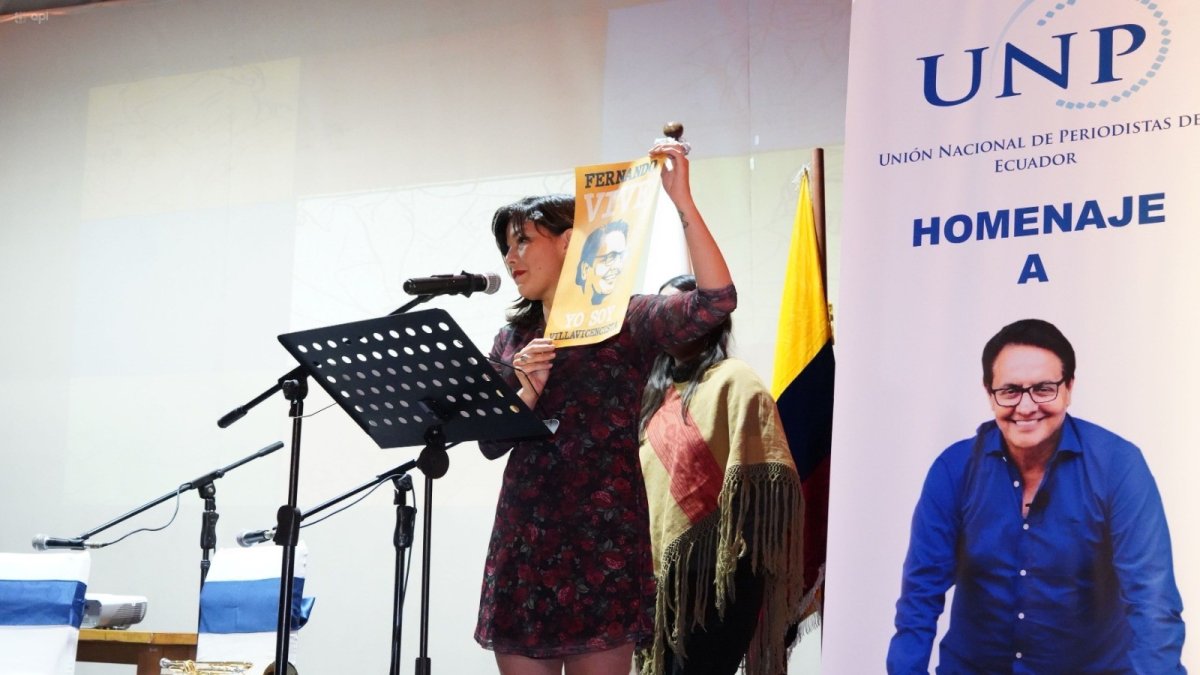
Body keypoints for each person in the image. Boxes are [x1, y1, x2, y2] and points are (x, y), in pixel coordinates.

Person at [474, 139, 736, 675]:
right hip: (526, 538)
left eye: (523, 241)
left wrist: (681, 201)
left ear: (570, 242)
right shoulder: (512, 337)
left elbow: (717, 301)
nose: (510, 257)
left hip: (603, 538)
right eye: (506, 246)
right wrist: (525, 386)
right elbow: (490, 442)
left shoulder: (628, 318)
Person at [887, 319, 1186, 674]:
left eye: (1044, 388)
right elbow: (920, 596)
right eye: (1010, 391)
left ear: (1069, 388)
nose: (1026, 407)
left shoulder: (1119, 466)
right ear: (989, 393)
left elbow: (1152, 603)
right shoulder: (954, 470)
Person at [638, 275, 805, 675]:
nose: (670, 320)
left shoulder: (736, 380)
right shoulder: (645, 396)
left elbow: (767, 483)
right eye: (662, 313)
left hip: (718, 581)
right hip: (655, 583)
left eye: (681, 309)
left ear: (709, 318)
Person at [574, 220, 629, 305]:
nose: (618, 267)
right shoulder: (557, 311)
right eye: (610, 257)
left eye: (621, 257)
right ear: (585, 269)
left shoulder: (628, 309)